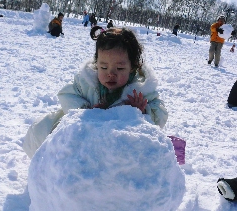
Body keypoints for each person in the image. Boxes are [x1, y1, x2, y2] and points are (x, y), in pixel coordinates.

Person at [22, 26, 168, 158]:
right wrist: (86, 112)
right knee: (42, 130)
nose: (111, 74)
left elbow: (161, 113)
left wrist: (142, 112)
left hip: (118, 144)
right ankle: (47, 163)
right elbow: (66, 95)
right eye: (104, 68)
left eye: (120, 68)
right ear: (96, 63)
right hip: (83, 135)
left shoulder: (141, 89)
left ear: (132, 67)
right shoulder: (86, 82)